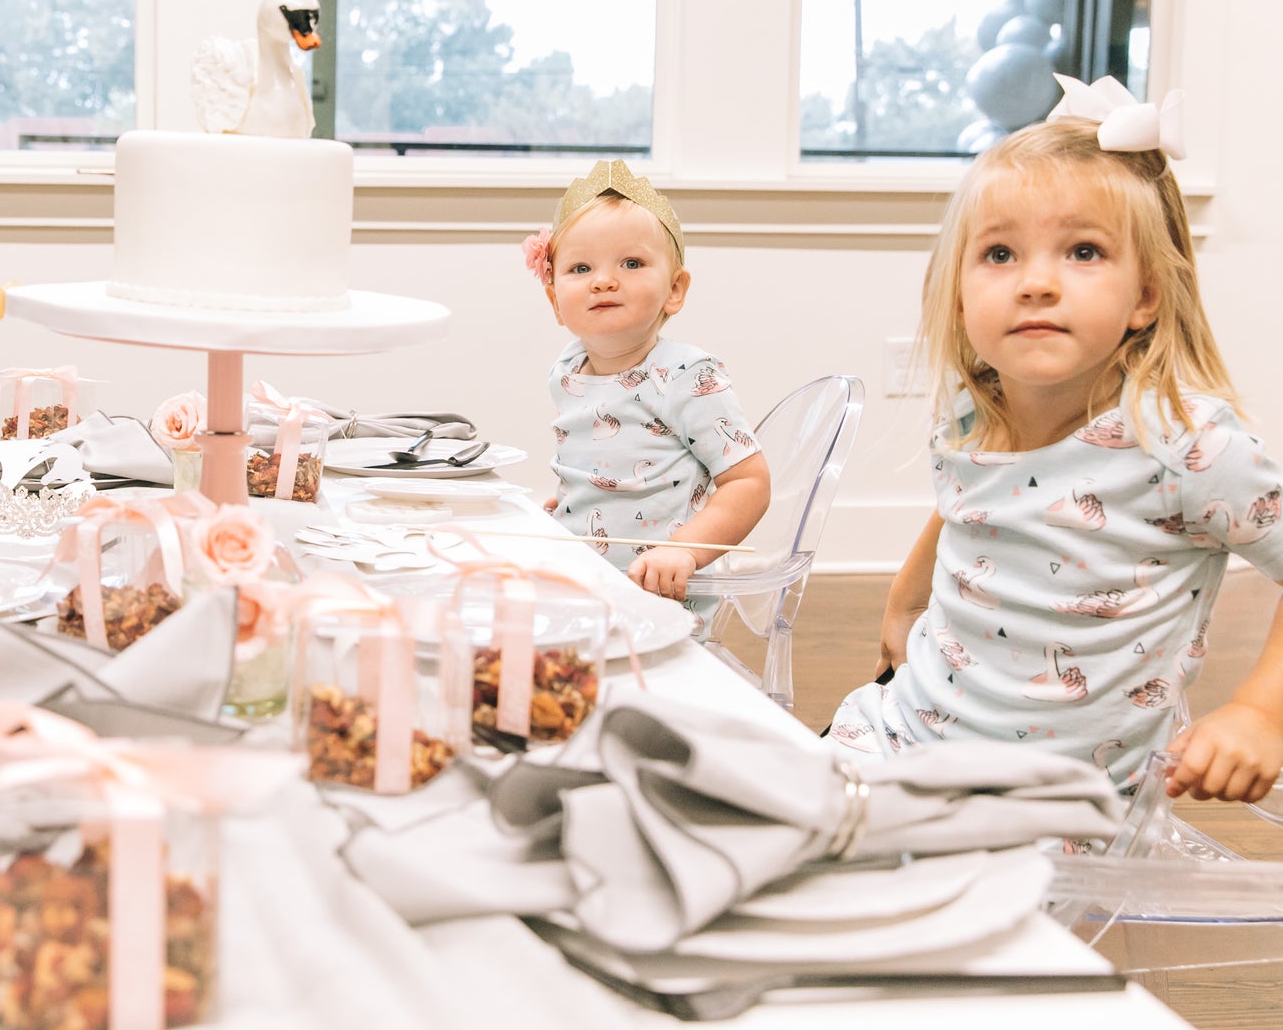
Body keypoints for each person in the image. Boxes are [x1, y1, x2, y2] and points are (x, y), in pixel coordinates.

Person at [827, 83, 1283, 803]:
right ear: (958, 297)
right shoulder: (977, 409)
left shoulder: (1185, 447)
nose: (1036, 282)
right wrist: (905, 597)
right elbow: (972, 503)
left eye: (1083, 251)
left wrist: (1261, 712)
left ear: (1146, 295)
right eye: (1000, 253)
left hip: (1056, 801)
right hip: (902, 732)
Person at [525, 160, 770, 610]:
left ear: (674, 289)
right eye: (580, 268)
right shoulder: (567, 369)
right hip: (578, 585)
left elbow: (749, 482)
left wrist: (685, 550)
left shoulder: (686, 376)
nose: (603, 280)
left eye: (632, 263)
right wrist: (573, 504)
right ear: (555, 300)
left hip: (656, 598)